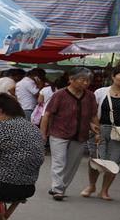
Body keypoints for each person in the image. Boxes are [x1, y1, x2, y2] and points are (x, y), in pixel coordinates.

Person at [81, 67, 120, 201]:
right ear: (113, 77)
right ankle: (91, 186)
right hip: (99, 130)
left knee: (113, 162)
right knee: (97, 159)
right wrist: (92, 125)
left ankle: (104, 191)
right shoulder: (100, 92)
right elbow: (92, 111)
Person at [40, 67, 100, 201]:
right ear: (71, 79)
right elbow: (47, 114)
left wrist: (96, 130)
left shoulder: (90, 96)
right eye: (82, 80)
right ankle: (57, 189)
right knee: (59, 161)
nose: (85, 83)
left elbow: (93, 114)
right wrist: (43, 133)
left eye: (88, 81)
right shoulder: (59, 95)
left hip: (80, 135)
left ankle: (61, 187)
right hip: (59, 133)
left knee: (72, 164)